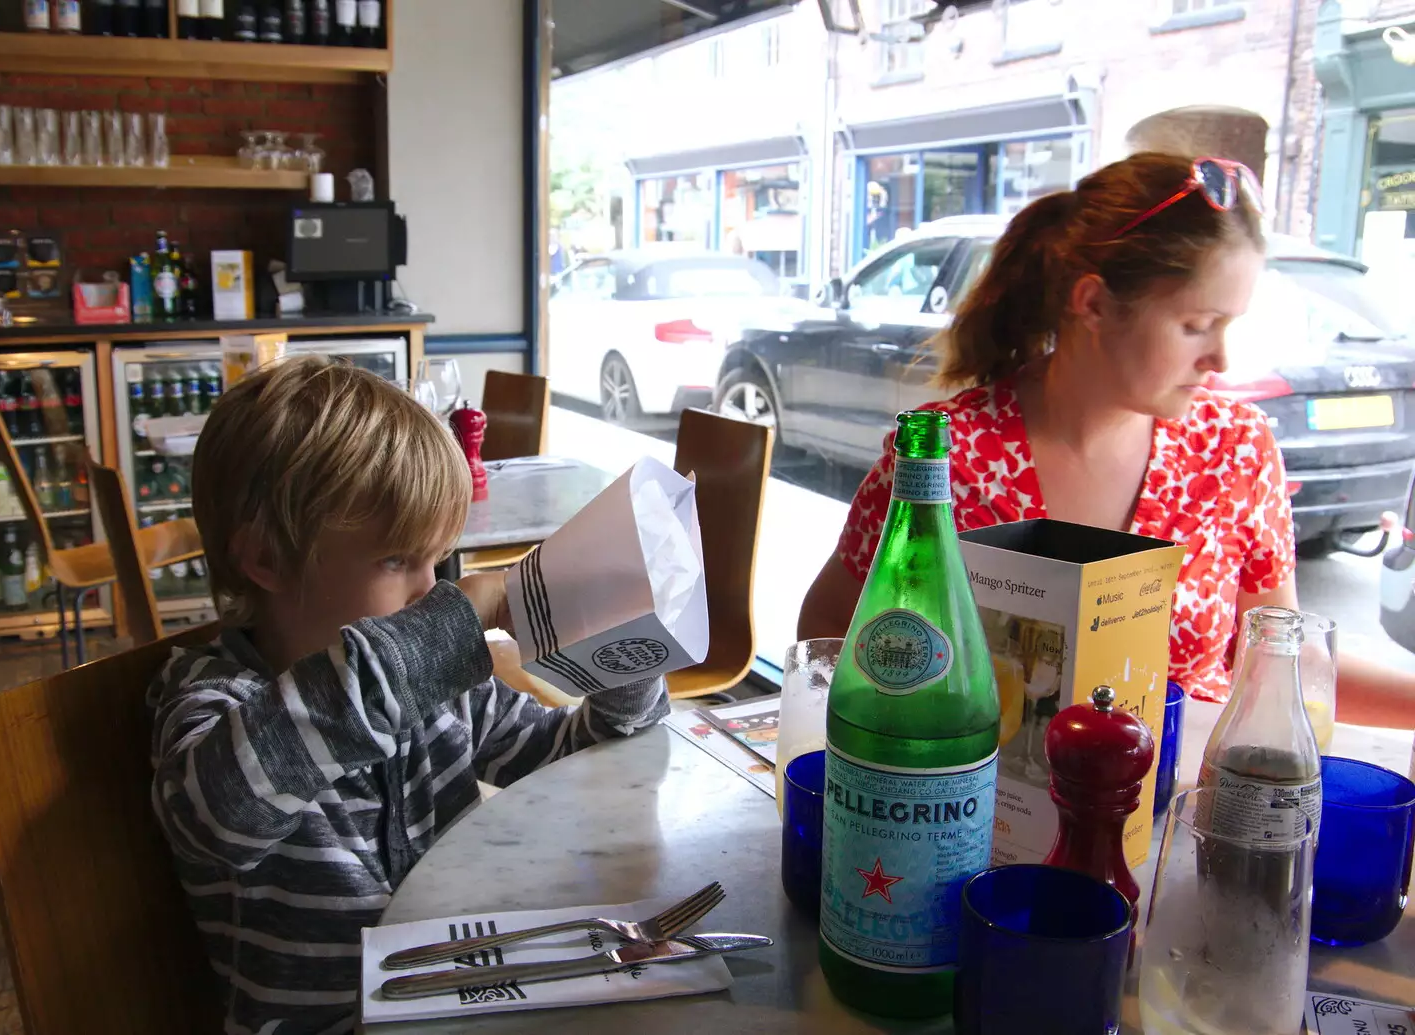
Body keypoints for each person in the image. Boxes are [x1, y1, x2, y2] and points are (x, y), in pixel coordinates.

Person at [799, 152, 1415, 729]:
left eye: (1229, 327)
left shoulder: (1236, 452)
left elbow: (1278, 660)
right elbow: (828, 636)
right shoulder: (950, 458)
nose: (1220, 358)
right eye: (1196, 325)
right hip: (976, 818)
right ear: (1093, 302)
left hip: (1181, 816)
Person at [148, 357, 669, 1035]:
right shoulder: (211, 703)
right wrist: (446, 630)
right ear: (268, 559)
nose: (431, 592)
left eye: (439, 562)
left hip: (470, 1000)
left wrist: (622, 653)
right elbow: (219, 811)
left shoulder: (439, 699)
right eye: (397, 560)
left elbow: (579, 770)